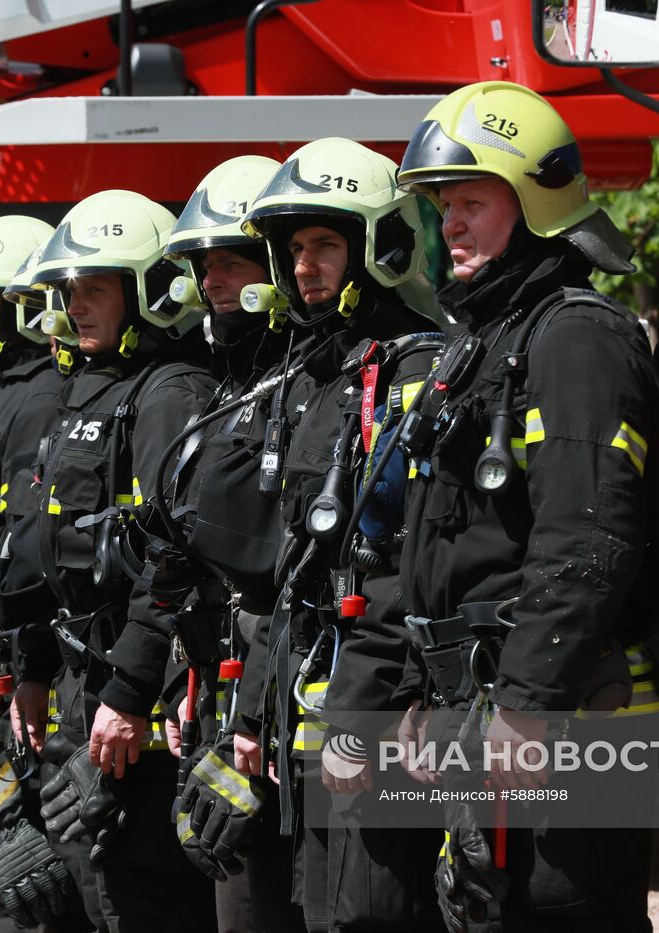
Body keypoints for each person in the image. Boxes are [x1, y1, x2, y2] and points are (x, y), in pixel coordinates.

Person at [395, 80, 659, 932]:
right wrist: (421, 691)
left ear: (538, 202)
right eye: (444, 207)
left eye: (473, 202)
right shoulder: (487, 343)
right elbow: (440, 541)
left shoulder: (576, 336)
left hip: (564, 728)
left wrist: (524, 705)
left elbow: (588, 542)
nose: (453, 225)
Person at [206, 138, 445, 932]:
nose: (305, 267)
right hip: (311, 712)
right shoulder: (313, 374)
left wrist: (377, 709)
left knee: (377, 914)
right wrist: (250, 712)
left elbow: (414, 567)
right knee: (325, 913)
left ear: (381, 245)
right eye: (295, 248)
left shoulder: (419, 369)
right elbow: (291, 570)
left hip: (382, 717)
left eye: (326, 246)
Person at [0, 189, 219, 931]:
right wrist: (36, 670)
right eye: (70, 290)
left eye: (96, 288)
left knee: (138, 891)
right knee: (84, 889)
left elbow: (170, 562)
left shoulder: (171, 394)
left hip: (133, 695)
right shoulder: (85, 391)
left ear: (145, 292)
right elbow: (52, 555)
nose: (76, 306)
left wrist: (130, 691)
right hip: (85, 683)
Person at [89, 155, 307, 933]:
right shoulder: (221, 384)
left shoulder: (312, 381)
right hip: (224, 691)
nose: (213, 281)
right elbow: (178, 553)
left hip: (301, 706)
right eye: (203, 265)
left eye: (232, 261)